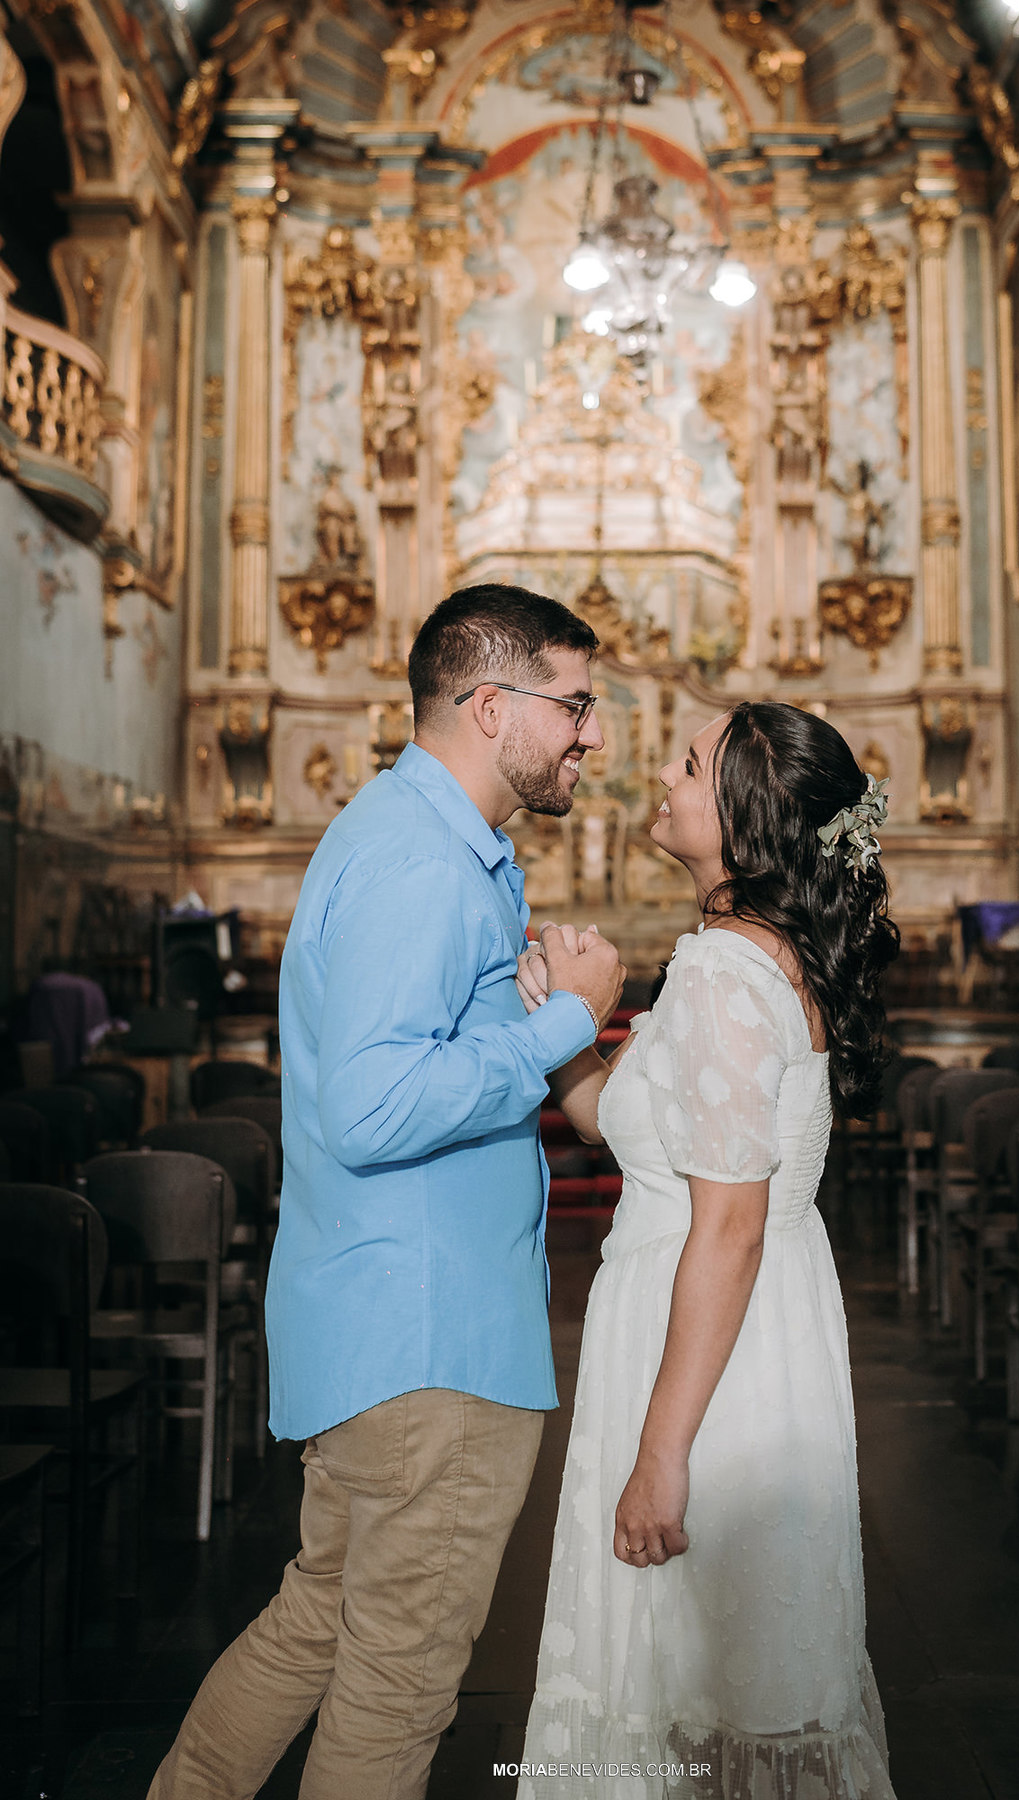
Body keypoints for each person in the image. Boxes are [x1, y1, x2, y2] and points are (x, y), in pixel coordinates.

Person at [148, 583, 626, 1800]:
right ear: (488, 703)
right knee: (398, 1686)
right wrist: (561, 1024)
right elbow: (369, 1109)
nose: (594, 735)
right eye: (574, 705)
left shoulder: (415, 840)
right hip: (432, 1347)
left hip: (382, 1325)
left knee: (318, 1626)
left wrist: (519, 1008)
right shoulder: (422, 862)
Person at [515, 701, 900, 1799]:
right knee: (707, 1693)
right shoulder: (737, 959)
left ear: (742, 819)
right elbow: (617, 1128)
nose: (663, 777)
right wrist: (566, 1025)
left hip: (710, 1359)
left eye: (689, 765)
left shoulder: (729, 972)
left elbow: (728, 1223)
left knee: (699, 1686)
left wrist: (661, 1454)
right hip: (721, 1327)